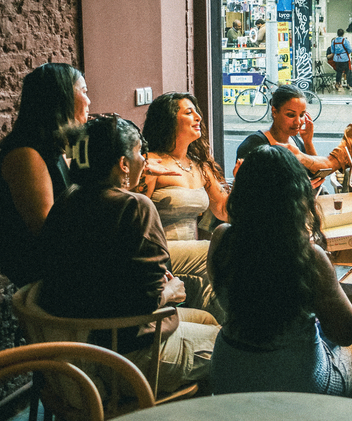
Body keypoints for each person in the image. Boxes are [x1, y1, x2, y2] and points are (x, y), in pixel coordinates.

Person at [37, 115, 219, 393]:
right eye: (138, 153)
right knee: (227, 347)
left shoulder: (66, 201)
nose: (144, 160)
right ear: (123, 164)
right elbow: (146, 300)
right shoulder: (135, 207)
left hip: (75, 359)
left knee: (207, 319)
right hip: (124, 359)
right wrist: (171, 290)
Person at [209, 145, 352, 395]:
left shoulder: (221, 238)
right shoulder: (307, 255)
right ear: (296, 196)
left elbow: (227, 301)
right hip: (296, 383)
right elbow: (345, 332)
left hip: (229, 374)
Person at [139, 92, 228, 321]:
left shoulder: (200, 166)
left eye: (197, 111)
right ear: (169, 121)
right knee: (213, 249)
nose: (198, 117)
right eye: (189, 113)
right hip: (160, 252)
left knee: (216, 293)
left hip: (193, 258)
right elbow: (136, 217)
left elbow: (225, 210)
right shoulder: (152, 162)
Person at [0, 63, 90, 287]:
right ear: (62, 97)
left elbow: (84, 186)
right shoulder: (26, 155)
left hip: (64, 261)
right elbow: (48, 232)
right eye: (84, 92)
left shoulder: (57, 145)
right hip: (42, 277)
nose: (89, 102)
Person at [233, 85, 323, 189]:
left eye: (302, 115)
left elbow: (317, 173)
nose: (298, 121)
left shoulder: (295, 141)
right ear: (274, 111)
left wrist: (308, 142)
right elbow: (250, 192)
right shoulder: (254, 145)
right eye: (291, 115)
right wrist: (298, 190)